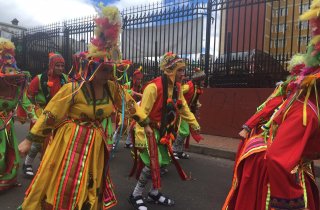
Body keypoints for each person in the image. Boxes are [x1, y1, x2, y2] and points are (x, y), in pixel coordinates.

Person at [17, 5, 151, 210]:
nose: (108, 73)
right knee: (65, 181)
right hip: (70, 141)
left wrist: (145, 122)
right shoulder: (73, 88)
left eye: (110, 69)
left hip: (96, 143)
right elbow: (50, 114)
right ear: (91, 67)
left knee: (91, 183)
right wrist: (29, 139)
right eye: (104, 69)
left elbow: (130, 104)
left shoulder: (113, 89)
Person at [222, 53, 305, 210]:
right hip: (274, 139)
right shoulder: (284, 91)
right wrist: (248, 126)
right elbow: (267, 109)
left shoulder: (304, 99)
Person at [128, 52, 201, 210]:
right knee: (152, 163)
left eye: (183, 70)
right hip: (148, 130)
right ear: (171, 70)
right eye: (180, 70)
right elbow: (141, 113)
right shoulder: (153, 87)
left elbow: (182, 107)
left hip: (164, 132)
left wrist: (193, 123)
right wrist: (140, 138)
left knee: (160, 164)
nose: (183, 74)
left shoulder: (177, 87)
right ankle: (135, 194)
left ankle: (154, 192)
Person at [266, 2, 320, 209]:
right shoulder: (298, 101)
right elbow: (271, 108)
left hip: (290, 177)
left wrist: (288, 200)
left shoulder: (304, 110)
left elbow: (276, 159)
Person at [22, 52, 68, 178]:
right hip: (42, 114)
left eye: (62, 66)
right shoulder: (39, 78)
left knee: (57, 142)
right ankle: (27, 164)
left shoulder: (65, 78)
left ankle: (49, 166)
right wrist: (34, 115)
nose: (60, 68)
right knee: (37, 143)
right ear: (51, 66)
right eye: (57, 65)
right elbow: (28, 98)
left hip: (59, 116)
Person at [0, 37, 36, 191]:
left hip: (7, 125)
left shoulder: (17, 85)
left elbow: (25, 102)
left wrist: (33, 115)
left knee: (9, 151)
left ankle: (8, 178)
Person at [172, 67, 205, 159]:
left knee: (185, 133)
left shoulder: (196, 87)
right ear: (198, 80)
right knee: (184, 132)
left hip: (189, 111)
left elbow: (194, 98)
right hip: (182, 111)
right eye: (202, 80)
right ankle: (174, 149)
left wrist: (197, 104)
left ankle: (179, 151)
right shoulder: (188, 86)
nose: (203, 82)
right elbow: (178, 92)